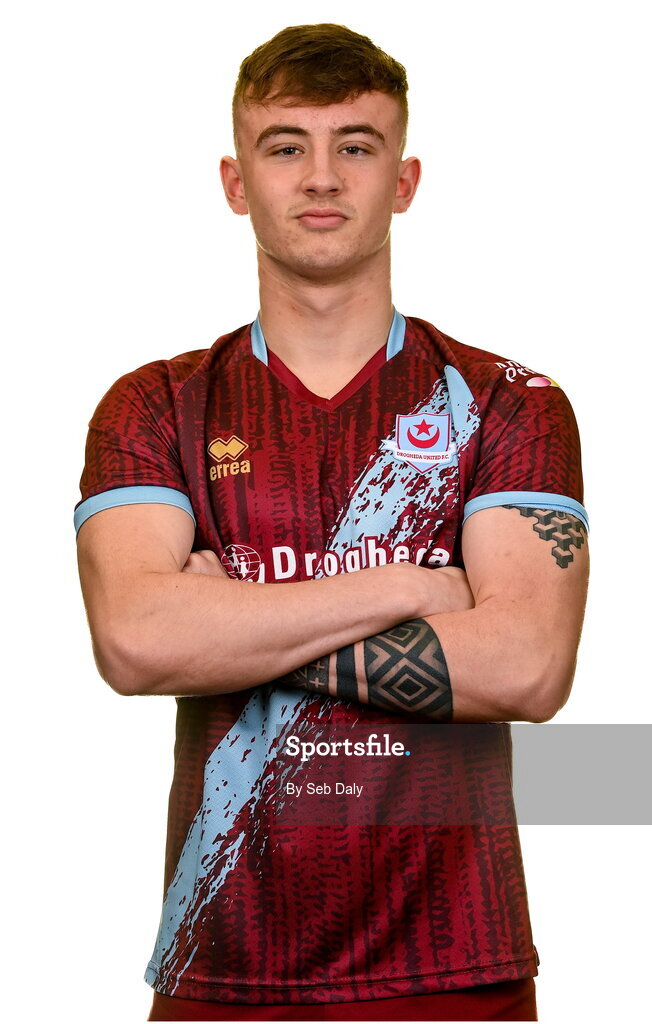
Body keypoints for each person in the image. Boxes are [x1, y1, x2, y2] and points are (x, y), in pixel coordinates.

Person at [75, 23, 589, 1022]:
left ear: (403, 180)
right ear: (236, 181)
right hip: (222, 970)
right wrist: (408, 587)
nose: (321, 176)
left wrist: (223, 627)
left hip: (455, 969)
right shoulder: (152, 406)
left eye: (354, 145)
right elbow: (134, 641)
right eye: (285, 146)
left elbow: (528, 665)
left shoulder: (510, 402)